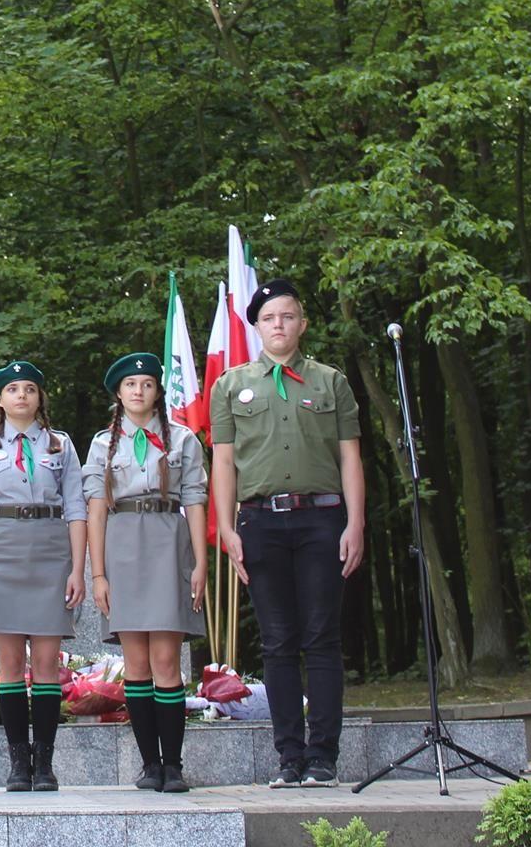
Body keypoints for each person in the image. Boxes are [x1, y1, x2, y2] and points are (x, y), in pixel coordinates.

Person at [209, 277, 365, 788]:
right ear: (256, 327)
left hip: (322, 519)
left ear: (302, 323)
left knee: (321, 638)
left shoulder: (330, 381)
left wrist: (355, 523)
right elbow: (224, 463)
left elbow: (349, 456)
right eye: (269, 318)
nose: (279, 325)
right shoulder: (230, 386)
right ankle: (289, 758)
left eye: (288, 316)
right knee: (277, 642)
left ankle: (323, 756)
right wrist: (227, 528)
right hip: (259, 522)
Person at [84, 352, 207, 793]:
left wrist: (200, 562)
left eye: (147, 384)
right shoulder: (103, 445)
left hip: (168, 540)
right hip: (122, 544)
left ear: (158, 391)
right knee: (135, 662)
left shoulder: (183, 439)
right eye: (130, 384)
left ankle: (173, 764)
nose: (139, 391)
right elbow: (96, 511)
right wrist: (98, 575)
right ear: (119, 393)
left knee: (166, 659)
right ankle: (149, 764)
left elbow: (194, 499)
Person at [0, 360, 86, 791]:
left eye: (29, 389)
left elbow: (76, 509)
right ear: (0, 400)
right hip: (3, 550)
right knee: (11, 663)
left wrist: (78, 568)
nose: (21, 396)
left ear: (39, 398)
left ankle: (45, 763)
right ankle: (18, 762)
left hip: (51, 552)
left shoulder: (61, 446)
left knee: (48, 663)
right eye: (12, 389)